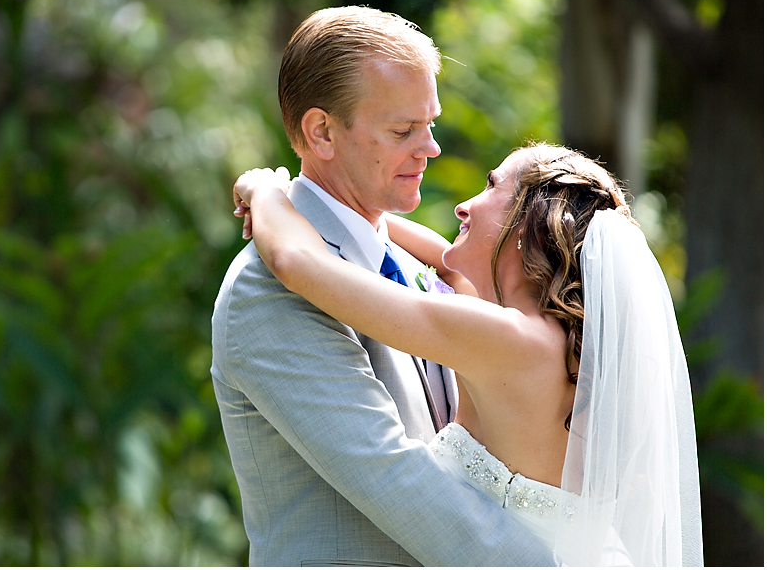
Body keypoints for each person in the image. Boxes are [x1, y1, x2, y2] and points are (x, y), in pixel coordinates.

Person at [232, 143, 704, 566]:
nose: (463, 206)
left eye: (491, 185)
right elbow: (435, 256)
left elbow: (297, 263)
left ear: (528, 220)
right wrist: (325, 201)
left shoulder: (505, 339)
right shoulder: (551, 342)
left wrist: (266, 191)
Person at [210, 6, 554, 566]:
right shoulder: (267, 291)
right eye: (403, 130)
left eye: (431, 123)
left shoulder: (418, 267)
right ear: (321, 131)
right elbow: (395, 476)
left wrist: (270, 193)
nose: (431, 148)